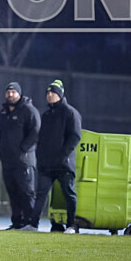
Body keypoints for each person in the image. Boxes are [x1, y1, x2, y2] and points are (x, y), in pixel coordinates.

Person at [30, 79, 82, 234]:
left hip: (64, 163)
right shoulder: (46, 115)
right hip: (47, 164)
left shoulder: (71, 113)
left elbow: (75, 136)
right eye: (48, 92)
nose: (50, 95)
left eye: (53, 92)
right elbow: (42, 138)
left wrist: (63, 155)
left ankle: (72, 226)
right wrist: (40, 156)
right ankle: (33, 225)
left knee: (68, 193)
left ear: (60, 94)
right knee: (41, 194)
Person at [0, 82, 40, 230]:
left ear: (19, 94)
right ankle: (17, 222)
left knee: (26, 191)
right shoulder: (3, 112)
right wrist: (0, 149)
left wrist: (23, 149)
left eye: (13, 92)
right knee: (12, 191)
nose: (10, 95)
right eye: (8, 92)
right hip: (7, 160)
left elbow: (35, 132)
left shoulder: (29, 110)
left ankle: (30, 222)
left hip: (24, 160)